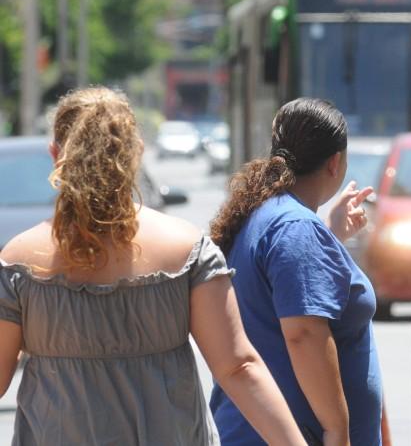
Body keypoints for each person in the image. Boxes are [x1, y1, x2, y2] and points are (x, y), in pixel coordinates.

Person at [0, 86, 305, 445]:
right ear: (136, 154)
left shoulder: (20, 259)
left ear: (56, 156)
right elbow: (238, 367)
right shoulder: (185, 248)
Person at [209, 97, 390, 446]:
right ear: (335, 162)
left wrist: (331, 233)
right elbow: (304, 333)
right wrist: (337, 431)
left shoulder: (272, 215)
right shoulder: (295, 228)